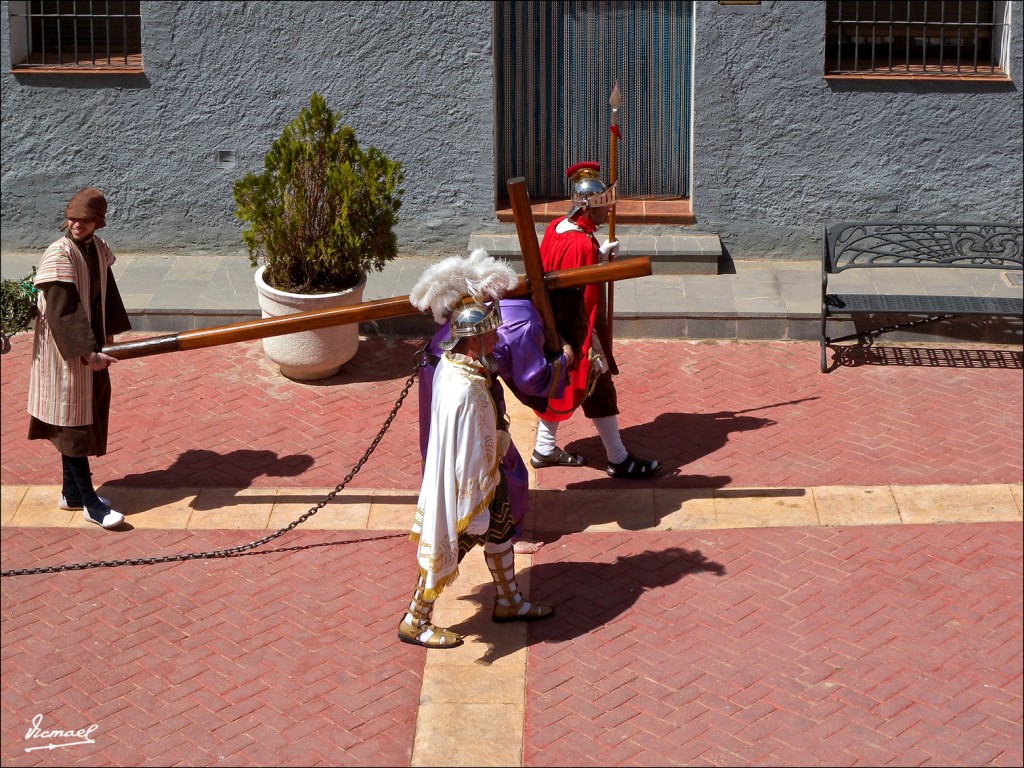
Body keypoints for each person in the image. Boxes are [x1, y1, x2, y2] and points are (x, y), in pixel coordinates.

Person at [398, 297, 555, 649]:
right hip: (468, 490)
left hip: (487, 478)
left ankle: (508, 600)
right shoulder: (464, 387)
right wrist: (475, 498)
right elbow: (466, 449)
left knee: (500, 534)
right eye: (491, 335)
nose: (498, 340)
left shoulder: (458, 367)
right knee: (447, 547)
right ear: (474, 341)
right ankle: (415, 620)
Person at [413, 251, 575, 555]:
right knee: (500, 458)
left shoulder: (491, 302)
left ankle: (452, 521)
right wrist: (564, 357)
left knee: (442, 451)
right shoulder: (524, 322)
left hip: (437, 375)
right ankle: (506, 533)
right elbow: (532, 379)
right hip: (466, 387)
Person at [531, 161, 661, 480]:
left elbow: (569, 274)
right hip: (574, 329)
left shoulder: (557, 228)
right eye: (604, 207)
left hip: (555, 325)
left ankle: (545, 448)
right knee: (599, 389)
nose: (609, 213)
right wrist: (589, 339)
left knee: (560, 386)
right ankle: (618, 459)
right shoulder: (580, 242)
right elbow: (582, 296)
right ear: (588, 209)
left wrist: (599, 257)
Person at [27, 187, 132, 529]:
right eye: (73, 218)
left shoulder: (98, 249)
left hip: (91, 347)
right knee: (72, 424)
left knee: (78, 418)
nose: (77, 224)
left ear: (97, 223)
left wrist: (110, 340)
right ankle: (90, 503)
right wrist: (87, 351)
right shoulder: (59, 255)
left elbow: (108, 294)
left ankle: (71, 493)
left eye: (85, 220)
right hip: (65, 353)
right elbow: (63, 312)